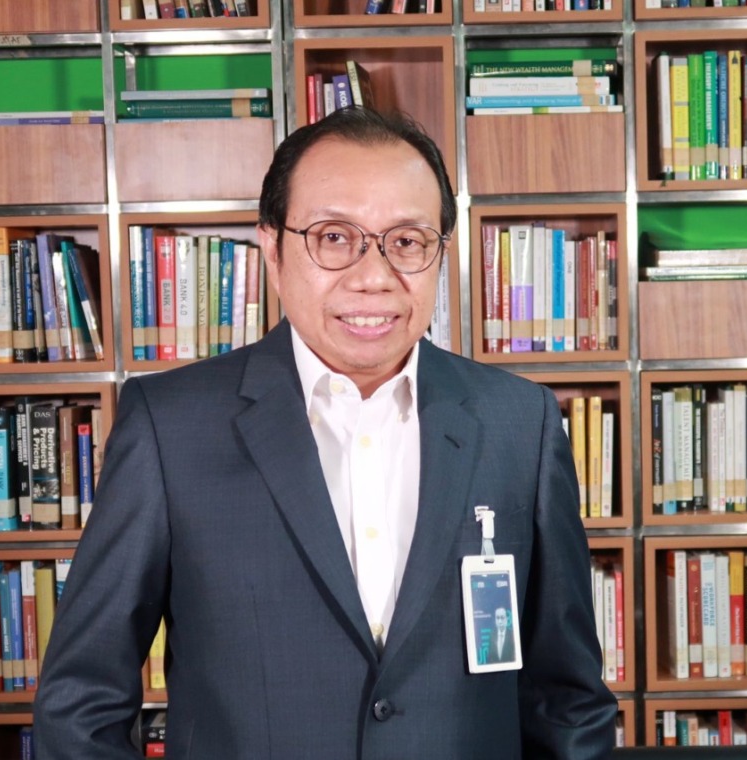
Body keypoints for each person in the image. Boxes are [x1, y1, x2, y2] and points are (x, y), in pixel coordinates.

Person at [33, 106, 616, 759]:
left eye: (407, 241)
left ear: (440, 255)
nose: (373, 277)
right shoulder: (170, 426)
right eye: (334, 237)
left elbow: (567, 700)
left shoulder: (520, 423)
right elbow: (80, 700)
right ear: (273, 250)